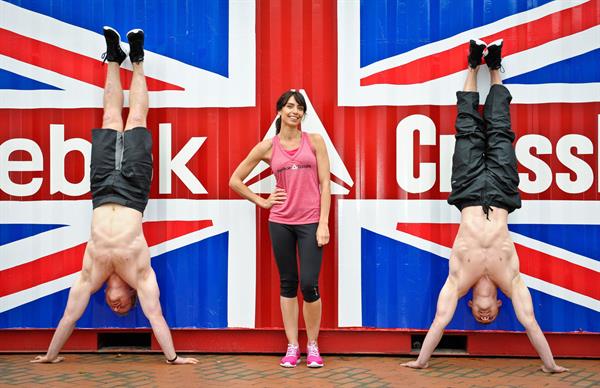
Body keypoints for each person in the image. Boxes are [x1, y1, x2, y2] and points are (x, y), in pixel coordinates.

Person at [31, 27, 197, 365]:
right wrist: (174, 358)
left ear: (106, 293)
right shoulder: (142, 275)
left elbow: (69, 317)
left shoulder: (91, 274)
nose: (116, 308)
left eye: (111, 307)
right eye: (123, 308)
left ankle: (112, 59)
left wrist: (49, 357)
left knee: (109, 118)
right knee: (135, 119)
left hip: (102, 190)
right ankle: (136, 61)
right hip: (134, 192)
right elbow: (157, 318)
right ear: (131, 295)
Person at [401, 39, 568, 373]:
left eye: (480, 316)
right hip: (503, 192)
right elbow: (530, 322)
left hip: (467, 190)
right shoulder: (512, 280)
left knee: (466, 128)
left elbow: (439, 321)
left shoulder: (458, 280)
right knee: (501, 129)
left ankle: (473, 64)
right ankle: (494, 69)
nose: (485, 316)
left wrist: (420, 362)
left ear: (473, 304)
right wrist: (551, 367)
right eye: (490, 316)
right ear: (499, 303)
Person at [229, 90, 331, 368]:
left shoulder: (316, 142)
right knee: (288, 283)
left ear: (303, 114)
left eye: (299, 108)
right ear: (279, 112)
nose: (294, 111)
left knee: (309, 284)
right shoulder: (268, 147)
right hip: (281, 222)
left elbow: (325, 184)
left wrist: (323, 223)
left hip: (311, 222)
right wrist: (262, 201)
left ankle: (312, 345)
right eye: (289, 107)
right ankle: (292, 347)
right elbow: (235, 180)